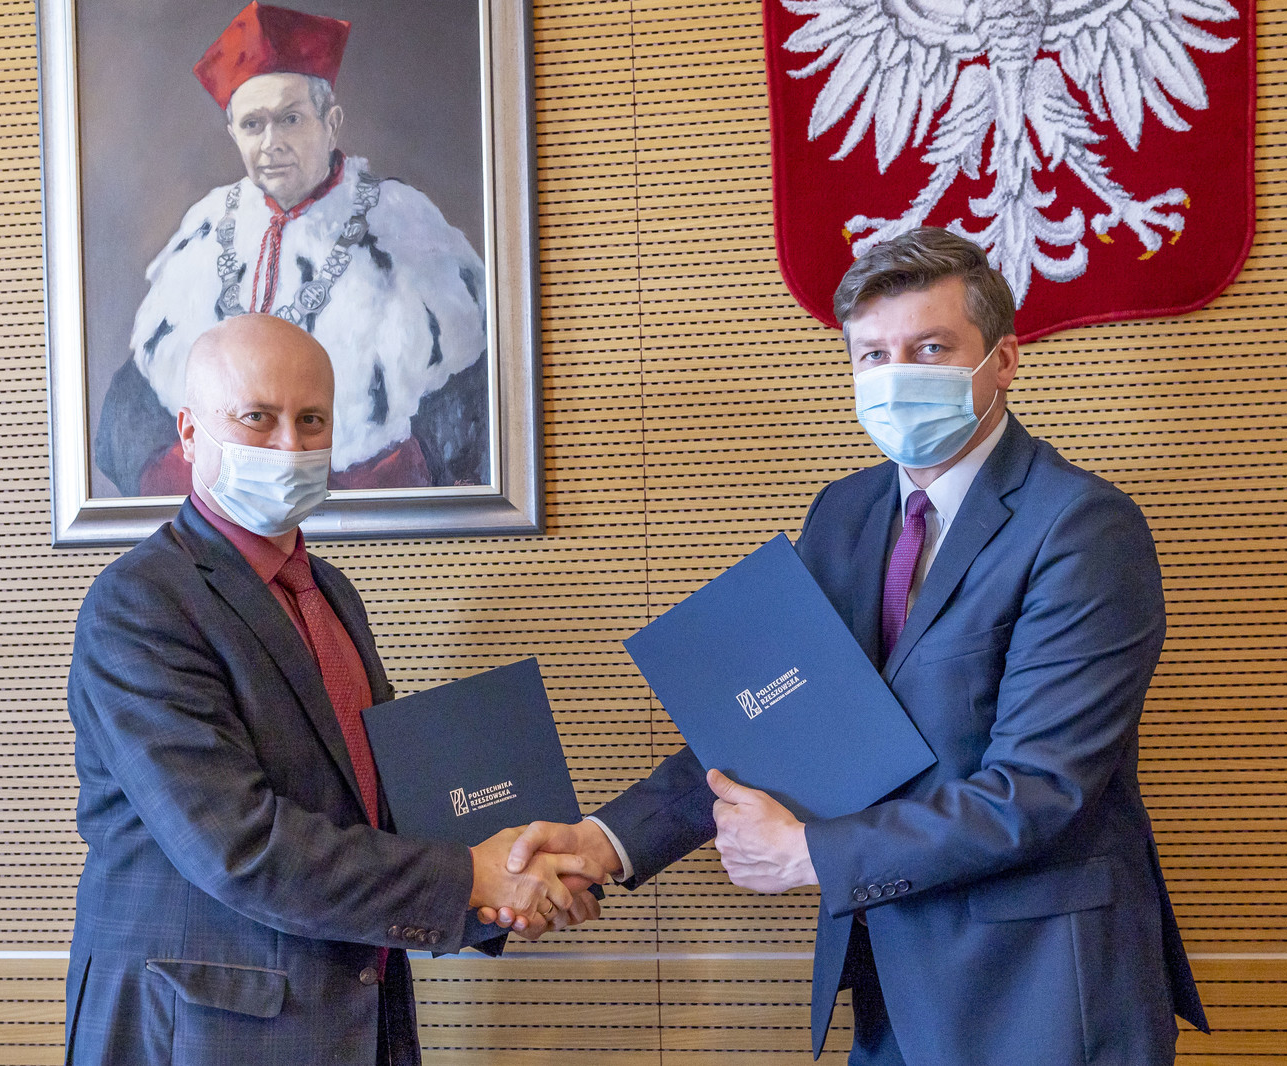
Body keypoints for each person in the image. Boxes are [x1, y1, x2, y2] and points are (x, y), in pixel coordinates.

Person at [499, 228, 1210, 1065]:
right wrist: (606, 842)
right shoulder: (844, 514)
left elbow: (1040, 790)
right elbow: (773, 725)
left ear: (1004, 361)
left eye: (930, 348)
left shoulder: (1083, 527)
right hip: (886, 988)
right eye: (873, 354)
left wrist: (808, 854)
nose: (897, 375)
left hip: (1041, 992)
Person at [64, 315, 598, 1066]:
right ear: (188, 434)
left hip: (355, 1017)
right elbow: (238, 845)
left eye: (311, 420)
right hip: (202, 1031)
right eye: (258, 418)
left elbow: (376, 804)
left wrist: (499, 891)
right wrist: (472, 878)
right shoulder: (141, 603)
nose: (290, 446)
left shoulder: (331, 593)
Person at [93, 1, 488, 499]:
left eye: (291, 119)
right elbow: (129, 422)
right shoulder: (204, 228)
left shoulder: (405, 226)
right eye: (253, 125)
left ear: (331, 123)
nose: (271, 143)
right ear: (233, 133)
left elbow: (470, 410)